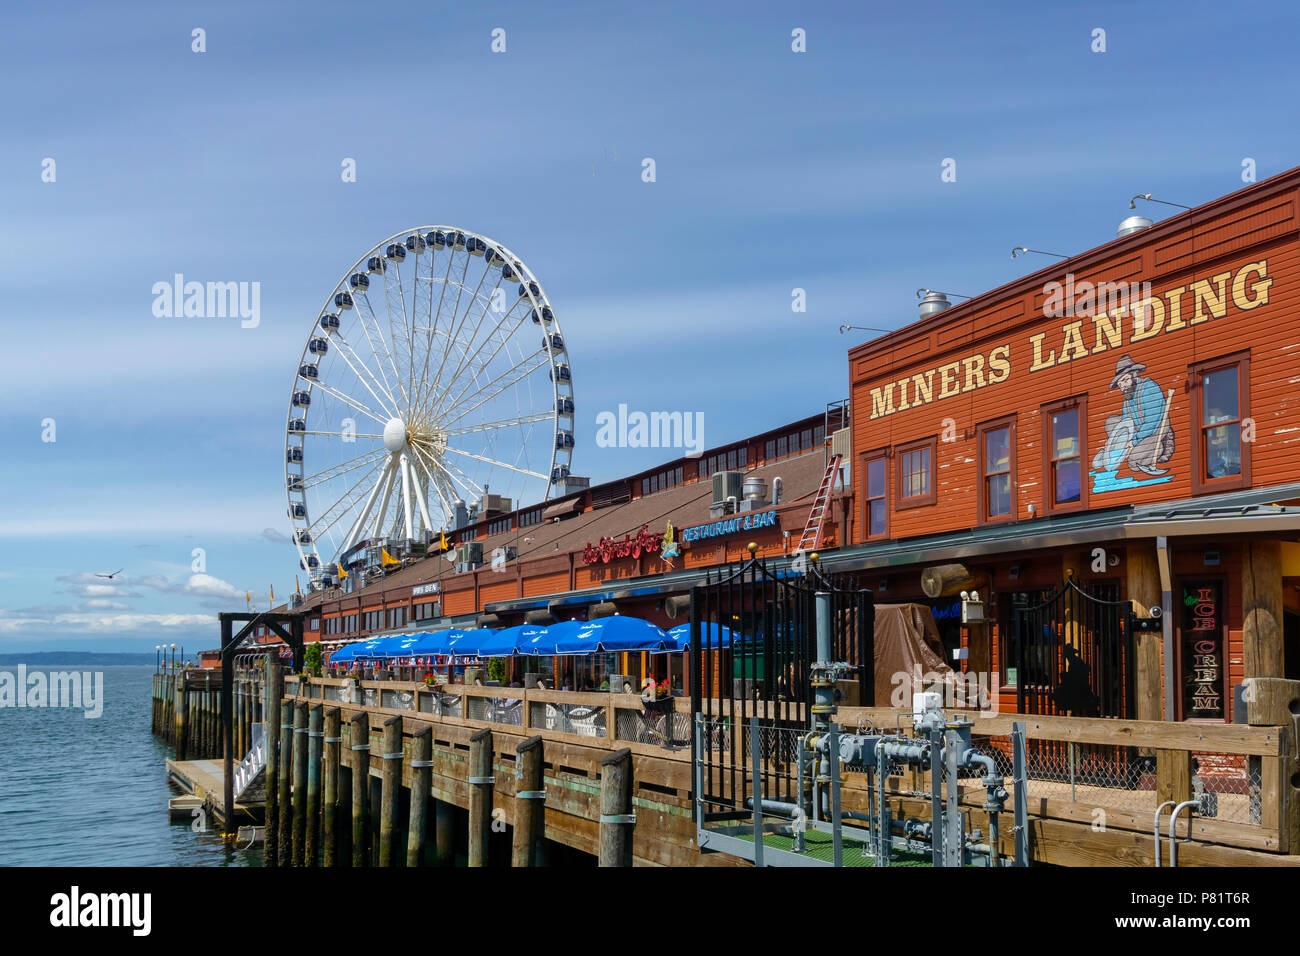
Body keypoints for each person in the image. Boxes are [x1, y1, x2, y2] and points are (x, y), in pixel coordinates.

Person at [1091, 355, 1174, 477]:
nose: (1122, 386)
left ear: (1134, 375)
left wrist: (1133, 441)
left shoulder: (1149, 388)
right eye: (1120, 384)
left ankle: (1162, 446)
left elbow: (1151, 424)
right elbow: (1126, 422)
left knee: (1134, 463)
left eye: (1125, 380)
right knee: (1111, 422)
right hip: (1139, 429)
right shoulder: (1128, 397)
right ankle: (1115, 453)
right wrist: (1119, 442)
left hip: (1156, 430)